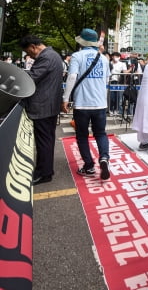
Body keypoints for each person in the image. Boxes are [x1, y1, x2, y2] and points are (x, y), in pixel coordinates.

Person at [61, 28, 111, 180]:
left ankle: (89, 166)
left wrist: (65, 98)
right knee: (101, 133)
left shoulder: (77, 56)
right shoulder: (103, 58)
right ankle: (104, 158)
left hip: (82, 104)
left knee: (82, 136)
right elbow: (107, 80)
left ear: (82, 42)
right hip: (100, 104)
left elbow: (72, 77)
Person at [19, 35, 64, 185]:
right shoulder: (54, 55)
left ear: (33, 46)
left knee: (43, 141)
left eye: (29, 52)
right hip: (49, 104)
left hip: (43, 105)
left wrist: (18, 74)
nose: (30, 56)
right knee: (47, 140)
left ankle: (43, 173)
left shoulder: (46, 57)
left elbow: (32, 77)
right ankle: (46, 170)